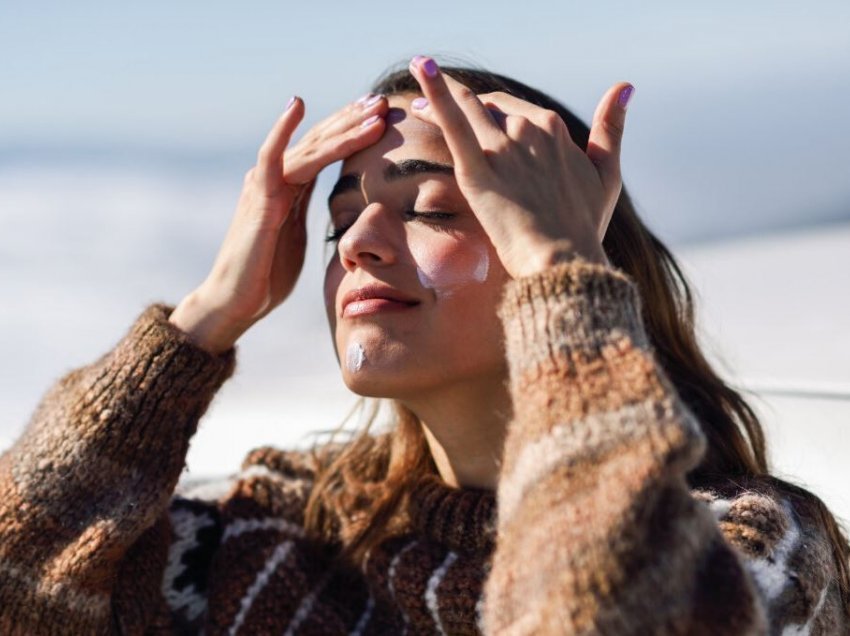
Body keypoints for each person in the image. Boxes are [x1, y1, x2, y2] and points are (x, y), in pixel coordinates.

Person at [0, 55, 847, 635]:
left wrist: (561, 271)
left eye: (434, 208)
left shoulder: (754, 554)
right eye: (338, 224)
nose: (362, 241)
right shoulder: (272, 530)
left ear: (576, 264)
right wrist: (205, 317)